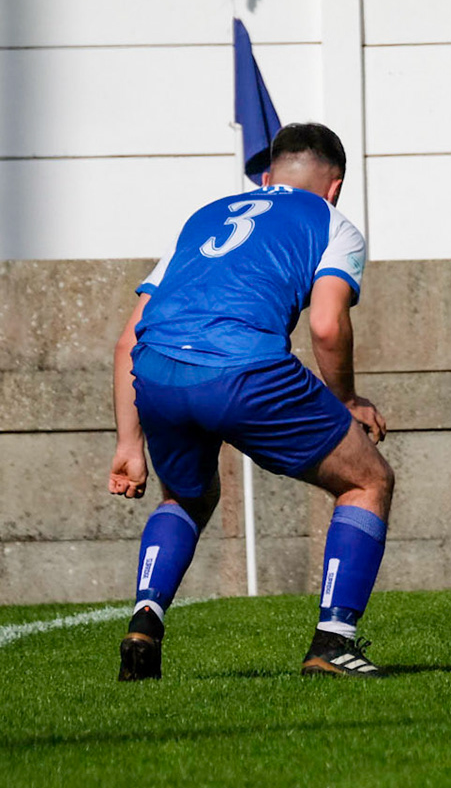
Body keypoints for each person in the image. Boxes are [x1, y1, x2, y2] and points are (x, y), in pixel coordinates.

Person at [107, 122, 394, 679]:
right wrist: (347, 401)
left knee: (186, 496)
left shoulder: (205, 217)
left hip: (158, 370)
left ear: (265, 177)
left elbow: (127, 339)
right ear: (335, 186)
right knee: (368, 481)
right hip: (243, 369)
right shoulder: (331, 221)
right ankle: (333, 642)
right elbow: (327, 324)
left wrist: (127, 444)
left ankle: (145, 620)